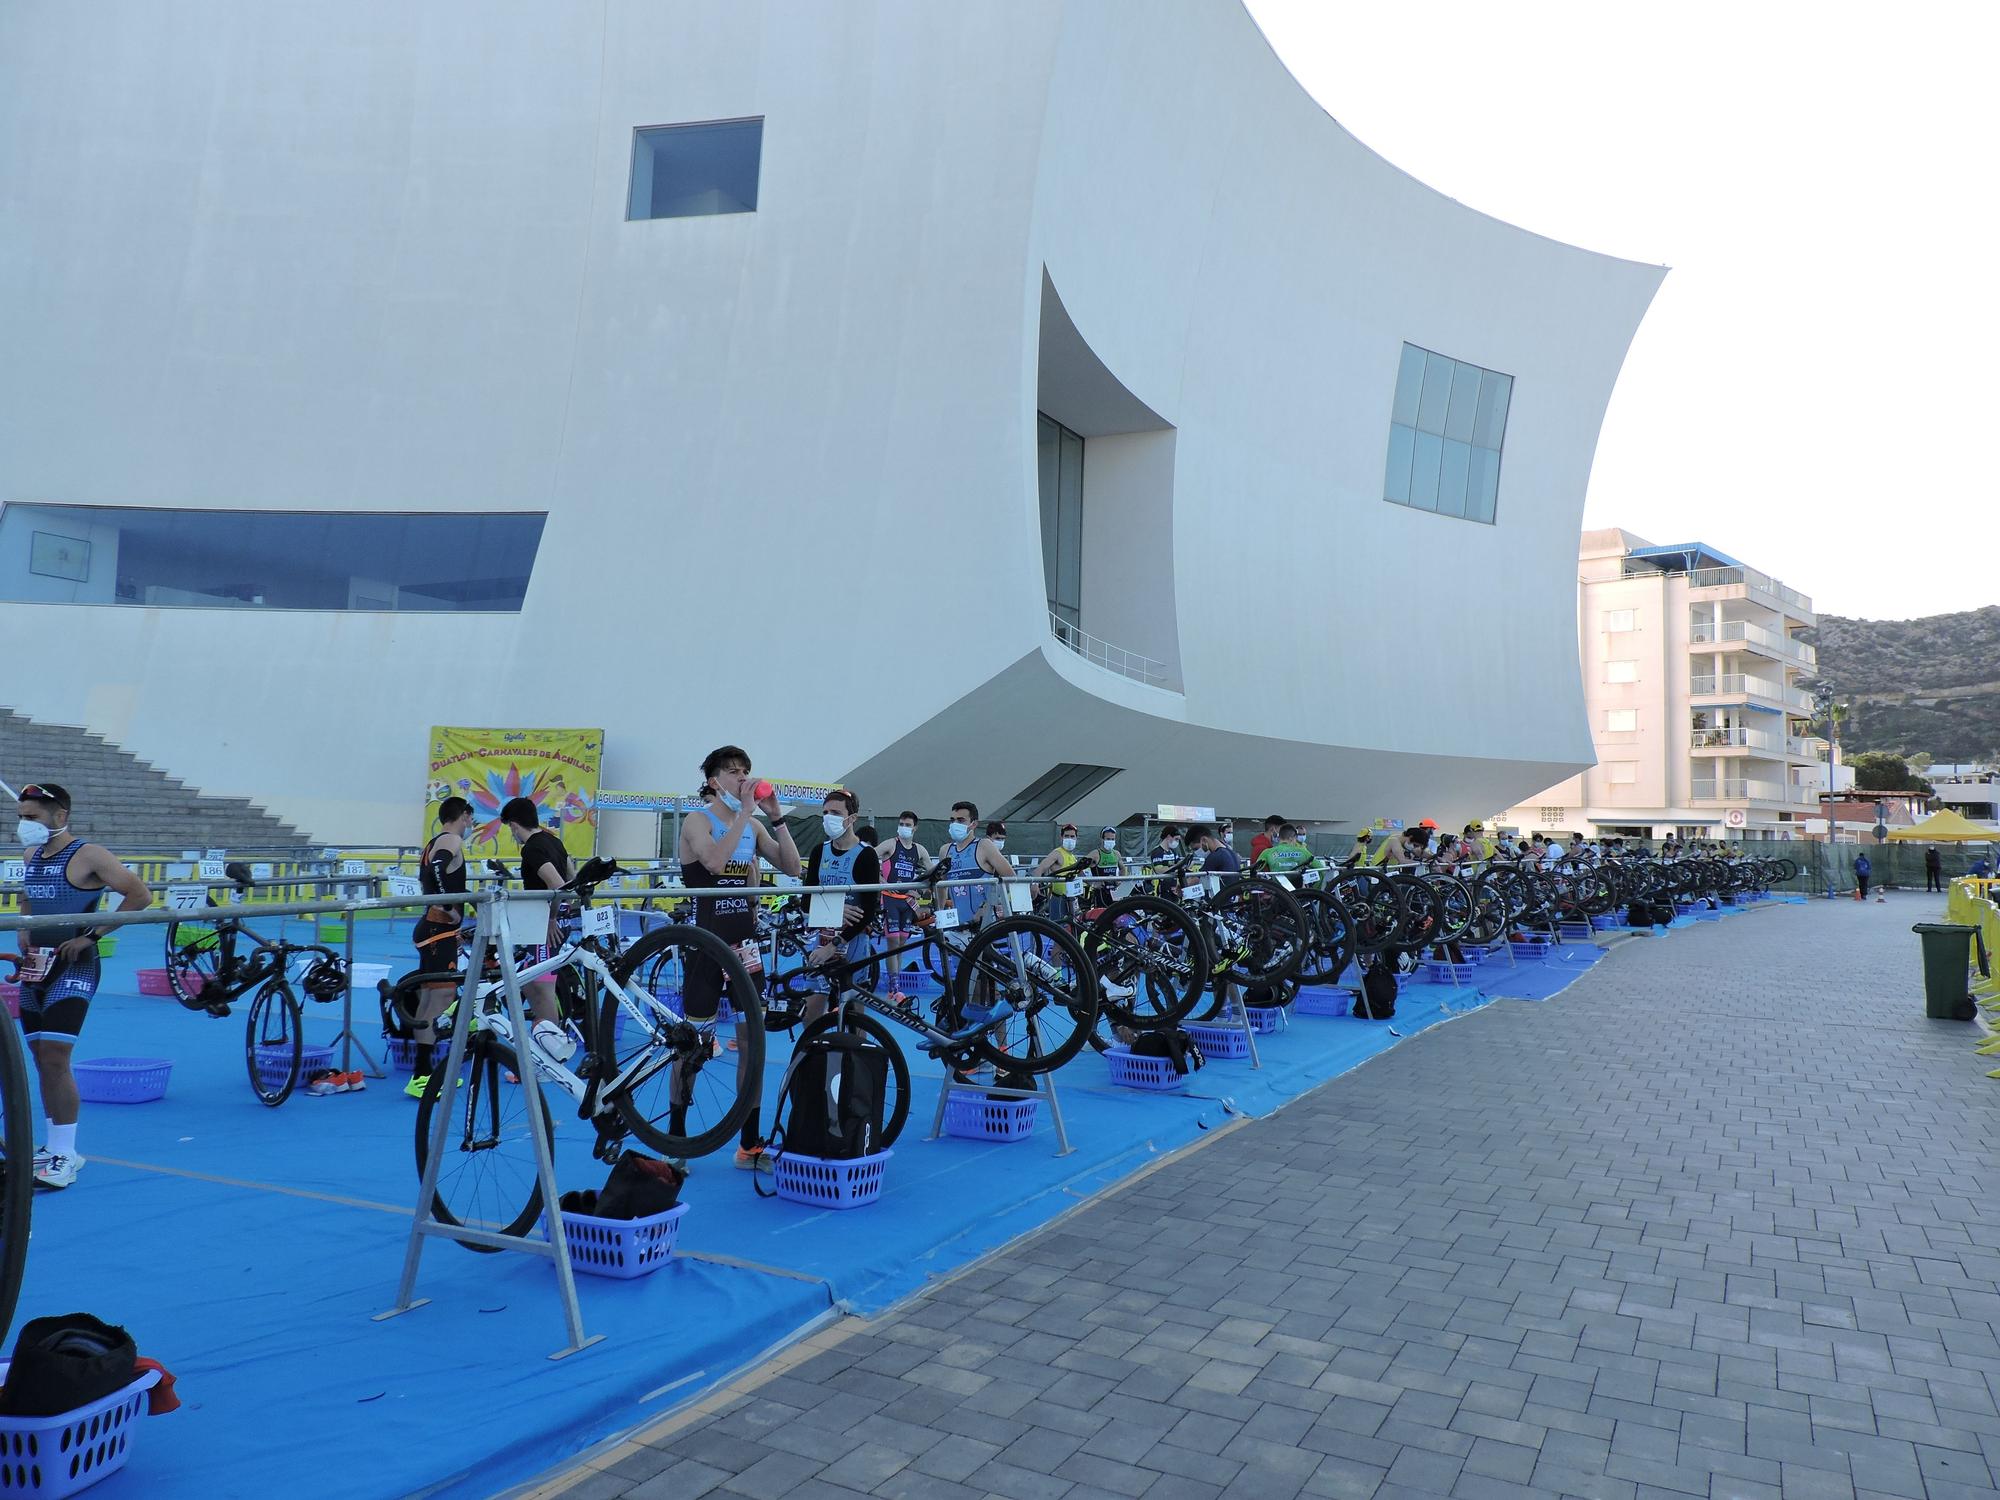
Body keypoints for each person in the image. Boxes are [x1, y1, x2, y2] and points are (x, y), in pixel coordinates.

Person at [14, 783, 151, 1191]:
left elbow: (138, 895)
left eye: (32, 818)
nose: (24, 825)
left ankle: (66, 1154)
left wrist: (91, 936)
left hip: (75, 965)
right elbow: (27, 896)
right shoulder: (30, 855)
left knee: (56, 1056)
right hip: (35, 966)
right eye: (21, 818)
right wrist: (24, 927)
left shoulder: (89, 854)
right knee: (40, 1057)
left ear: (59, 817)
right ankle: (54, 1144)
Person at [679, 747, 802, 1170]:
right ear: (714, 781)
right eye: (733, 772)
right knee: (692, 1045)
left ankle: (749, 1143)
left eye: (746, 771)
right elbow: (713, 863)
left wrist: (775, 816)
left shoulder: (751, 823)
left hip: (744, 945)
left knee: (753, 1043)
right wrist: (744, 812)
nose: (742, 778)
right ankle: (676, 1139)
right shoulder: (698, 820)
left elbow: (793, 868)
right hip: (704, 943)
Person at [499, 797, 586, 1063]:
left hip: (544, 924)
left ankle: (551, 1053)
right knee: (527, 980)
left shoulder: (533, 849)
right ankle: (542, 1037)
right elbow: (572, 875)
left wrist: (549, 919)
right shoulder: (554, 841)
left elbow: (560, 886)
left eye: (510, 829)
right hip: (548, 921)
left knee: (544, 987)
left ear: (514, 825)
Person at [406, 795, 474, 1098]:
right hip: (438, 929)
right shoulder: (451, 841)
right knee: (441, 997)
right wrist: (450, 908)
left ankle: (422, 1072)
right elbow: (436, 871)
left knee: (430, 998)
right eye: (471, 818)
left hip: (435, 928)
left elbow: (432, 875)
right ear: (465, 815)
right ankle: (421, 1076)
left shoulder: (435, 840)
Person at [802, 789, 880, 1022]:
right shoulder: (819, 851)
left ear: (852, 818)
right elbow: (807, 901)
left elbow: (867, 912)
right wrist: (835, 909)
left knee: (855, 1017)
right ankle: (816, 1057)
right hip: (822, 938)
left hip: (853, 942)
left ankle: (856, 1059)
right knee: (811, 1016)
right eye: (825, 813)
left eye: (835, 813)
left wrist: (835, 945)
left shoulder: (866, 855)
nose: (828, 818)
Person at [874, 812, 931, 1000]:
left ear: (915, 828)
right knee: (892, 943)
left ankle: (895, 984)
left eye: (907, 824)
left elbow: (931, 872)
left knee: (901, 944)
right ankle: (894, 988)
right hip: (889, 898)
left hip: (907, 901)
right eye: (901, 824)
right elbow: (869, 857)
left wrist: (922, 889)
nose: (904, 827)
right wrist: (881, 879)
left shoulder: (919, 850)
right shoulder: (891, 844)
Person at [937, 801, 1013, 928]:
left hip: (985, 923)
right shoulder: (945, 850)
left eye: (961, 820)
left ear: (974, 824)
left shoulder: (984, 845)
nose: (955, 824)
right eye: (952, 820)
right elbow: (941, 886)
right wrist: (939, 912)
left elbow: (1011, 878)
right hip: (958, 925)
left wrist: (987, 906)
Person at [1034, 824, 1088, 924]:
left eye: (1072, 836)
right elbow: (1040, 868)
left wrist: (1095, 883)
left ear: (1076, 838)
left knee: (1072, 928)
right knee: (1059, 931)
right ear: (1061, 838)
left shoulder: (1072, 856)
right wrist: (1035, 884)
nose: (1069, 839)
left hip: (1072, 899)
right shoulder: (1057, 853)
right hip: (1059, 899)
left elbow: (1081, 875)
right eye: (1066, 836)